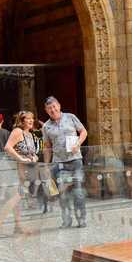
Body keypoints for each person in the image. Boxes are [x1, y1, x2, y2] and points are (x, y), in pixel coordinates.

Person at [42, 96, 88, 229]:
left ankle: (81, 219)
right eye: (49, 108)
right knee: (63, 193)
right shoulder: (46, 127)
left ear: (59, 106)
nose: (53, 109)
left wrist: (78, 143)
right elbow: (47, 147)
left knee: (78, 191)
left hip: (75, 160)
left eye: (54, 106)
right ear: (46, 110)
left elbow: (83, 131)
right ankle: (66, 220)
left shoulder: (71, 117)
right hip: (59, 163)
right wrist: (46, 165)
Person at [0, 111, 38, 238]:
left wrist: (34, 157)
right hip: (10, 168)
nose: (31, 120)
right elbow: (7, 147)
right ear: (21, 121)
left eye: (32, 118)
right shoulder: (18, 131)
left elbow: (28, 152)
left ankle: (17, 226)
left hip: (21, 170)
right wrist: (21, 159)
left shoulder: (29, 134)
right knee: (16, 197)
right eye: (27, 119)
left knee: (17, 198)